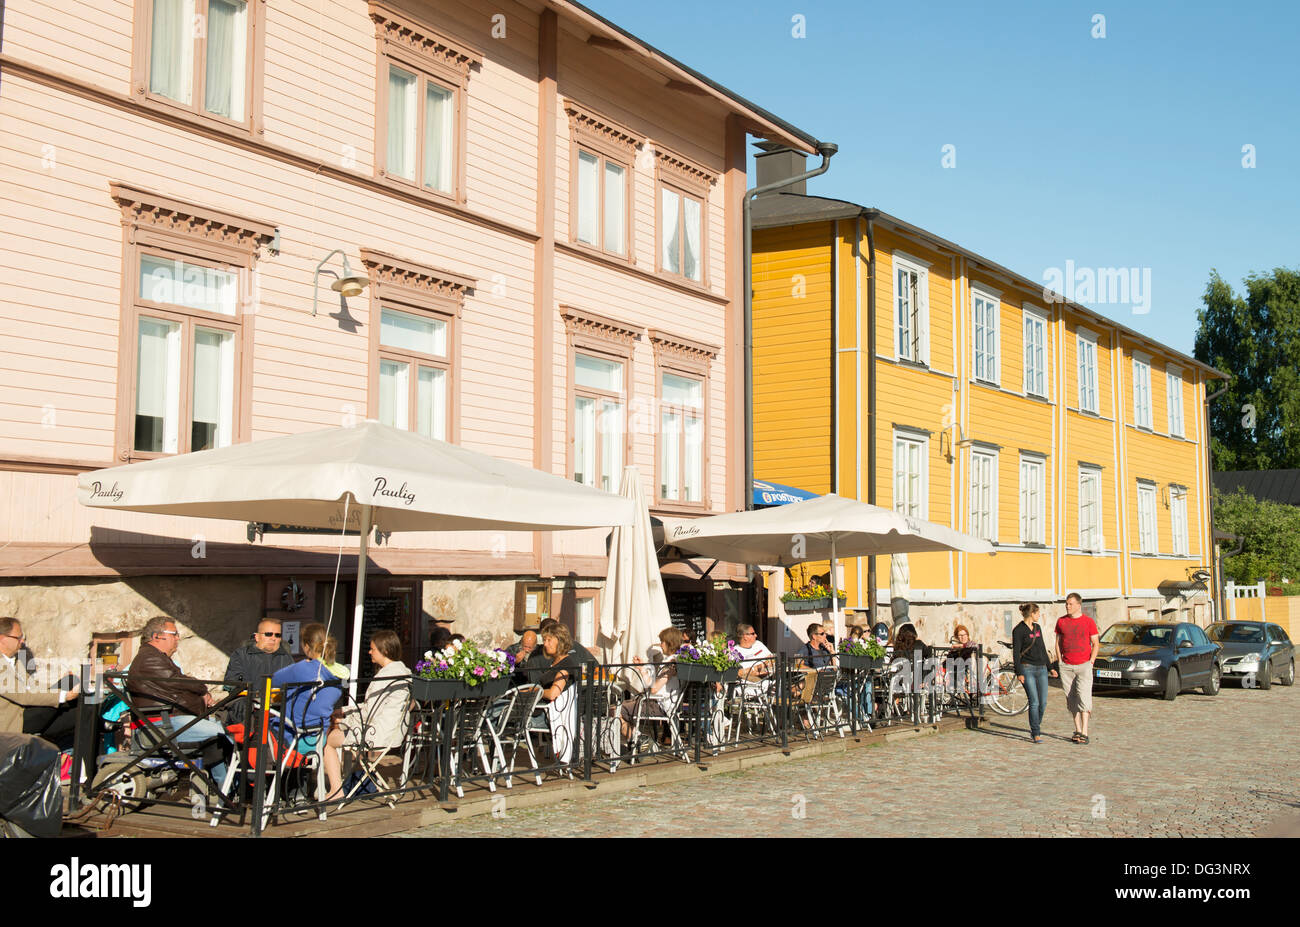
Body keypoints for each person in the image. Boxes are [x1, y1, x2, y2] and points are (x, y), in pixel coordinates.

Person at [126, 616, 231, 785]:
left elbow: (178, 683)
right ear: (157, 636)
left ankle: (225, 786)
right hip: (164, 723)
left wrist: (198, 691)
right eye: (174, 634)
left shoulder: (157, 658)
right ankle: (228, 787)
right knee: (223, 733)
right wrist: (202, 690)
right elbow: (179, 682)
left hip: (174, 719)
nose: (177, 638)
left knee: (221, 733)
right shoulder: (150, 659)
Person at [323, 629, 410, 800]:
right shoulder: (405, 672)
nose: (370, 652)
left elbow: (370, 712)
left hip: (376, 734)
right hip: (395, 733)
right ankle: (351, 781)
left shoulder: (385, 677)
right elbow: (374, 707)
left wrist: (344, 718)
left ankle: (336, 789)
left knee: (328, 741)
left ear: (384, 651)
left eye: (373, 649)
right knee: (341, 730)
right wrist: (345, 712)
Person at [0, 617, 80, 743]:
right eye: (18, 638)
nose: (22, 641)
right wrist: (64, 695)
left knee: (82, 712)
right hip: (18, 723)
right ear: (2, 639)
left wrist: (59, 683)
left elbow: (33, 685)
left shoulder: (14, 661)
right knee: (70, 686)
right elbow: (22, 695)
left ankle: (89, 755)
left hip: (32, 715)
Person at [270, 623, 343, 738]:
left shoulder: (303, 668)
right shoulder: (337, 673)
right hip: (319, 736)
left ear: (307, 647)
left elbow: (274, 679)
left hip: (292, 735)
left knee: (258, 734)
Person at [223, 618, 294, 724]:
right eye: (268, 634)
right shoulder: (241, 655)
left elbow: (294, 686)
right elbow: (231, 684)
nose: (273, 638)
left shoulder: (287, 658)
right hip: (248, 707)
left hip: (278, 707)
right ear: (257, 637)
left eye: (277, 635)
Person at [621, 627, 684, 743]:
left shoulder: (671, 663)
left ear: (670, 643)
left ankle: (636, 737)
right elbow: (654, 685)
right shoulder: (673, 661)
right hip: (663, 704)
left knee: (617, 709)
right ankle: (635, 736)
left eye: (662, 642)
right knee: (621, 707)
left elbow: (654, 689)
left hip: (661, 706)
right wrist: (642, 669)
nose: (661, 645)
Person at [1053, 593, 1100, 744]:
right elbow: (1058, 643)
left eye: (1071, 604)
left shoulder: (1088, 622)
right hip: (1067, 666)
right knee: (1071, 698)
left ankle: (1085, 731)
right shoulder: (1061, 622)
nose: (1068, 606)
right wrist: (1060, 661)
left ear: (1079, 605)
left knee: (1084, 697)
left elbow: (1095, 643)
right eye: (1066, 604)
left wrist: (1091, 661)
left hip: (1084, 665)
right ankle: (1078, 729)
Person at [533, 624, 579, 763]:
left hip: (549, 716)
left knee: (499, 716)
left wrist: (537, 691)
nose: (545, 644)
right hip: (546, 712)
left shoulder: (566, 664)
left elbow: (553, 693)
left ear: (559, 641)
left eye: (548, 640)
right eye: (544, 640)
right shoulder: (556, 662)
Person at [1012, 603, 1057, 743]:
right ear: (1032, 614)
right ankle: (1035, 732)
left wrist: (1050, 667)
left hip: (1041, 668)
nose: (1039, 615)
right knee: (1034, 701)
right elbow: (1016, 653)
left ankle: (1036, 722)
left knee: (1043, 702)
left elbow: (1042, 648)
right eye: (1037, 613)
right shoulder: (1018, 630)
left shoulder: (1037, 628)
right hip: (1027, 668)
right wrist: (1019, 672)